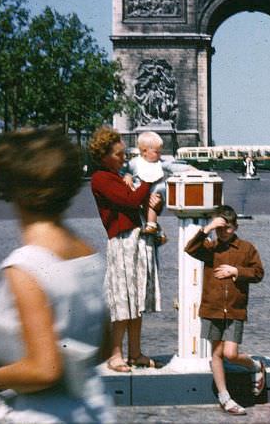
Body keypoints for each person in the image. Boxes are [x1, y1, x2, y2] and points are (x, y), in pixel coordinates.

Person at [0, 127, 114, 422]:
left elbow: (45, 369)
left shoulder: (26, 265)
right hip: (92, 410)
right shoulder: (89, 253)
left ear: (11, 190)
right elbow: (104, 348)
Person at [89, 126, 162, 373]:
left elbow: (137, 203)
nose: (123, 159)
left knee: (136, 299)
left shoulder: (118, 176)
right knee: (122, 301)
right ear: (105, 155)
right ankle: (115, 354)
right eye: (119, 154)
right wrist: (148, 181)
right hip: (121, 241)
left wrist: (154, 202)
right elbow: (129, 201)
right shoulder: (101, 178)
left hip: (135, 237)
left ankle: (135, 352)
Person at [185, 205, 265, 416]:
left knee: (230, 353)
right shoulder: (210, 248)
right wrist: (208, 228)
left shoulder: (246, 248)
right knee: (216, 353)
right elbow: (190, 249)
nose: (223, 232)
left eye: (226, 228)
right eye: (220, 228)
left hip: (235, 309)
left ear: (235, 226)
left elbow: (258, 273)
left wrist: (236, 271)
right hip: (212, 309)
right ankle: (224, 397)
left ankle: (255, 366)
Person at [123, 131, 167, 244]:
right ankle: (158, 232)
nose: (160, 154)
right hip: (137, 193)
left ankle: (153, 226)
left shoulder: (160, 163)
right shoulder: (134, 163)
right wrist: (127, 176)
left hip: (152, 194)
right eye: (157, 152)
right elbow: (125, 171)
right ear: (144, 151)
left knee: (151, 204)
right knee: (143, 211)